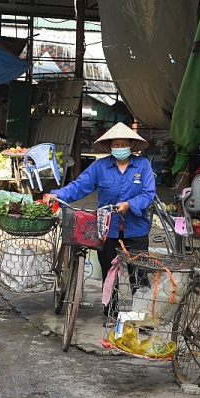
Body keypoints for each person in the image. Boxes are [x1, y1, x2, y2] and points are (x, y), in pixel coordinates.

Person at [44, 123, 155, 322]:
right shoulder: (100, 166)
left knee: (138, 274)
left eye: (124, 143)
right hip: (107, 228)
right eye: (116, 144)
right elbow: (79, 186)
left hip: (136, 228)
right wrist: (57, 194)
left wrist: (129, 204)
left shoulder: (143, 166)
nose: (120, 147)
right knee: (109, 271)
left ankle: (140, 315)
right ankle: (111, 313)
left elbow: (148, 194)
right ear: (110, 147)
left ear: (131, 145)